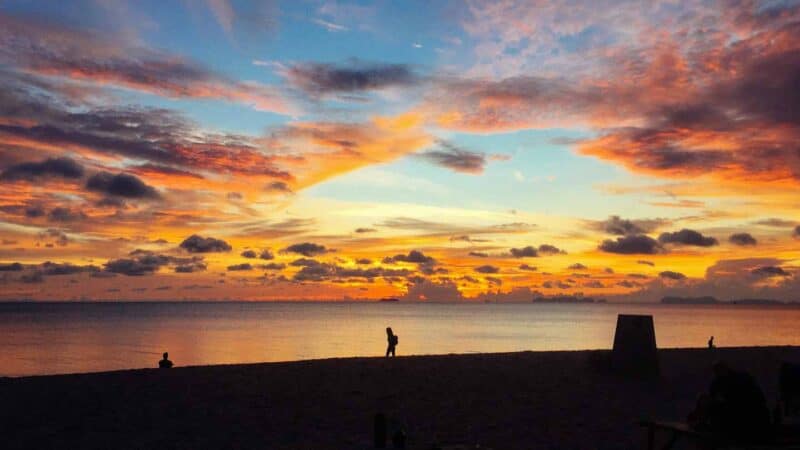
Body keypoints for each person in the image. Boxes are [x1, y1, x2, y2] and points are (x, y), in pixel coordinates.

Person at [687, 361, 770, 441]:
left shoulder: (737, 381)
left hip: (744, 422)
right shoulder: (724, 381)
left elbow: (736, 404)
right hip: (745, 420)